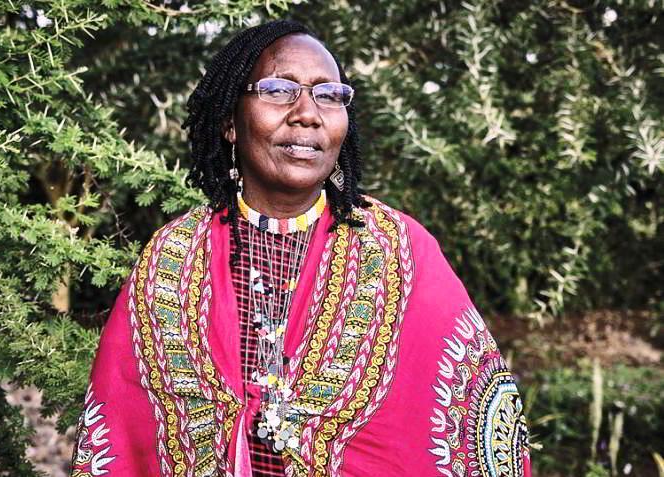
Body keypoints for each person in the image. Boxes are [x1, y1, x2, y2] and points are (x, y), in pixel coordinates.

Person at [70, 19, 532, 477]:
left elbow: (474, 424)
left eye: (329, 95)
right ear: (230, 122)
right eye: (278, 90)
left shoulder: (400, 252)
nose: (308, 113)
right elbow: (121, 434)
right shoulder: (172, 257)